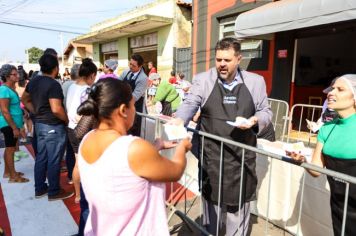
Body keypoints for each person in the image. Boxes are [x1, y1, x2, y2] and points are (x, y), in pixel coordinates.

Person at [174, 37, 272, 235]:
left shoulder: (255, 82)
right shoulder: (203, 79)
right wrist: (177, 121)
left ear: (239, 59)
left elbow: (266, 112)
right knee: (212, 203)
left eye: (227, 60)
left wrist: (253, 121)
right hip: (212, 154)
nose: (222, 64)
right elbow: (190, 103)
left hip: (241, 156)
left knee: (238, 205)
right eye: (218, 60)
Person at [77, 78, 191, 235]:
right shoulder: (133, 148)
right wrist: (182, 147)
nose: (135, 111)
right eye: (133, 106)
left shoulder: (87, 138)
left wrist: (156, 147)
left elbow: (122, 166)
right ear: (123, 110)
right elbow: (176, 170)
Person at [289, 74, 356, 236]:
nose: (331, 93)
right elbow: (317, 170)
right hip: (339, 207)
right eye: (332, 89)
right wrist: (302, 161)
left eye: (340, 89)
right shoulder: (326, 128)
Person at [22, 53, 74, 201]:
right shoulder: (53, 84)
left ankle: (40, 188)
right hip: (53, 125)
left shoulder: (34, 81)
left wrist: (35, 111)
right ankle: (54, 191)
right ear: (56, 68)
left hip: (40, 124)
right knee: (53, 160)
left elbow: (24, 99)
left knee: (42, 158)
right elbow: (56, 108)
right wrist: (66, 120)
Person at [66, 58, 97, 203]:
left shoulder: (72, 86)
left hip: (70, 128)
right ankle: (80, 195)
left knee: (77, 162)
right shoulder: (87, 90)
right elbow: (83, 114)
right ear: (91, 75)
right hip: (81, 129)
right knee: (81, 164)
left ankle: (78, 193)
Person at [0, 64, 29, 183]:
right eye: (14, 74)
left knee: (9, 148)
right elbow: (5, 111)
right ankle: (13, 176)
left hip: (14, 123)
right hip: (8, 124)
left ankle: (8, 172)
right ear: (7, 76)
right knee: (11, 149)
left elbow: (14, 107)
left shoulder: (11, 89)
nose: (17, 75)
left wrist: (23, 112)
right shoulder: (4, 89)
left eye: (17, 73)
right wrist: (14, 128)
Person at [118, 54, 148, 136]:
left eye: (133, 66)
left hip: (135, 108)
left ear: (140, 66)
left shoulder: (143, 78)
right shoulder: (126, 71)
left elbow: (134, 98)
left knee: (133, 132)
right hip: (123, 105)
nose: (130, 67)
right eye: (130, 64)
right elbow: (117, 84)